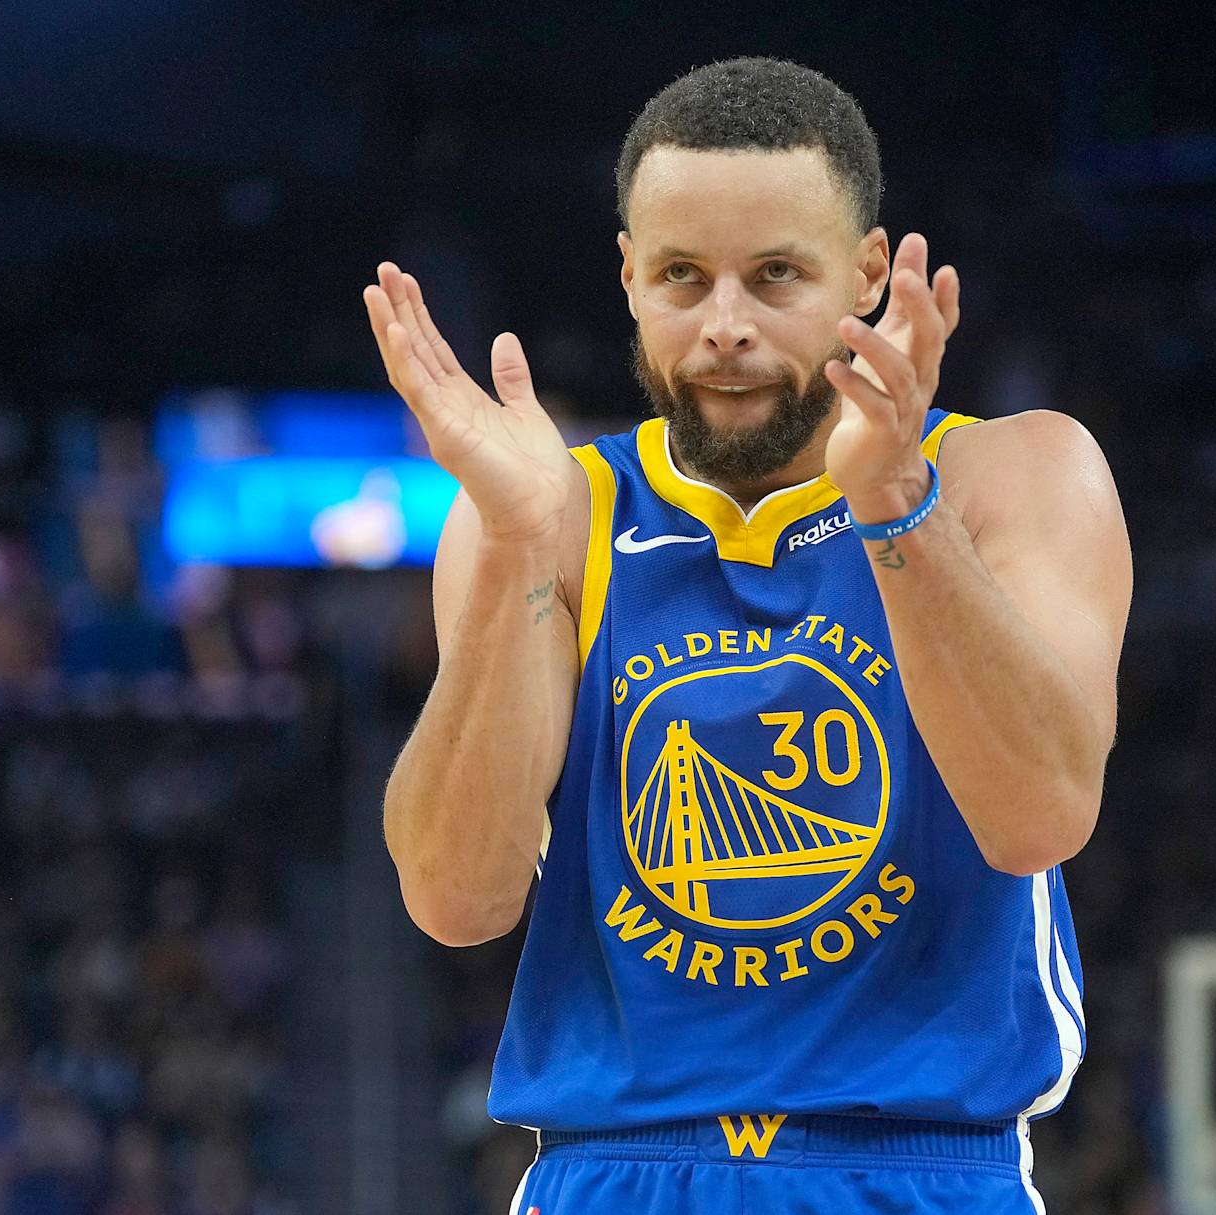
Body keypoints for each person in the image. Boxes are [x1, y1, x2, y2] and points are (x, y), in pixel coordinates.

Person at [372, 56, 1132, 1215]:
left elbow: (1039, 818)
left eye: (776, 275)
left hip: (920, 1170)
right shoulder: (548, 512)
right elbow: (454, 896)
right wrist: (516, 547)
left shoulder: (1014, 473)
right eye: (683, 276)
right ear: (629, 277)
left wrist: (896, 506)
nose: (724, 326)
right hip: (608, 1174)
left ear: (867, 275)